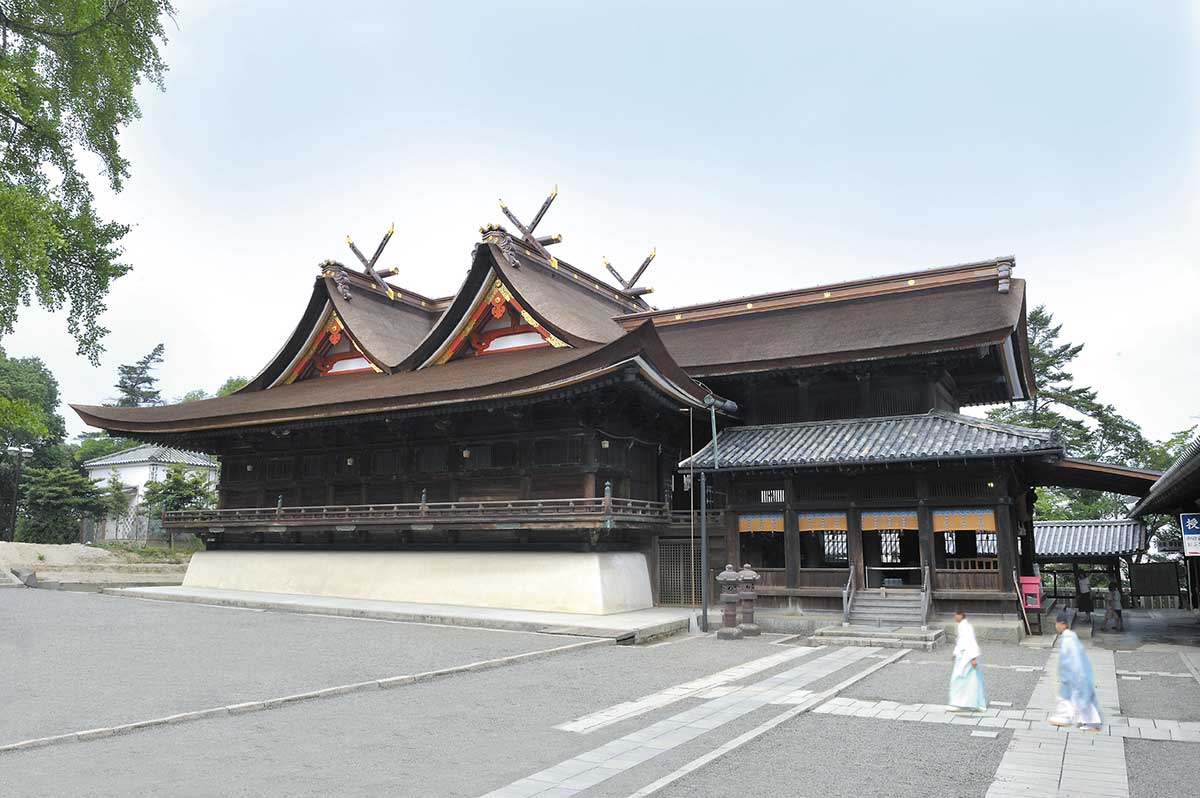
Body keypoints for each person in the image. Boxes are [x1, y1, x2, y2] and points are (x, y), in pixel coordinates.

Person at [1049, 613, 1103, 731]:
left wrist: (1074, 675)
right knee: (1080, 698)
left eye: (1057, 623)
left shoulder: (1069, 640)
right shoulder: (1069, 638)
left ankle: (1067, 718)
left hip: (1075, 674)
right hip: (1075, 674)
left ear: (1062, 624)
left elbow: (1074, 660)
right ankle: (1090, 722)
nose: (1056, 626)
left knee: (1072, 698)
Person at [948, 610, 987, 712]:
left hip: (967, 656)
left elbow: (971, 641)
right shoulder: (961, 626)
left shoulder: (966, 627)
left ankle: (971, 703)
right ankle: (964, 703)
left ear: (960, 615)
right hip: (962, 656)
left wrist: (973, 658)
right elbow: (961, 641)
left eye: (955, 615)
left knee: (963, 679)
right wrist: (955, 653)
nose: (954, 617)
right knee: (964, 680)